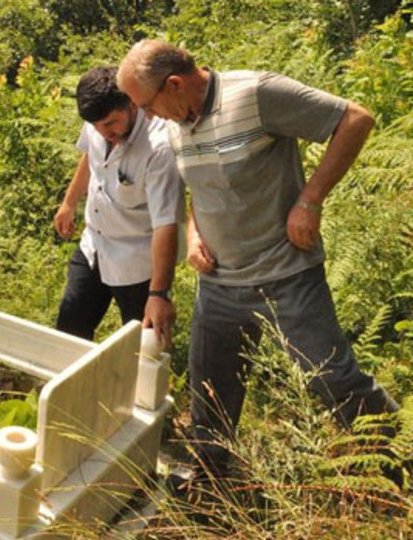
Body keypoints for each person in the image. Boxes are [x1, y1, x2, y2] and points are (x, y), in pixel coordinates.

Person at [117, 40, 400, 481]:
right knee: (211, 393)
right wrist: (194, 234)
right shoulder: (177, 123)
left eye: (146, 105)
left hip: (287, 276)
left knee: (334, 381)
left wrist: (310, 200)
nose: (147, 117)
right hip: (219, 285)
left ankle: (399, 457)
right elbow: (202, 188)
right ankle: (210, 484)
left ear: (174, 84)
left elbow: (355, 119)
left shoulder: (254, 95)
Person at [54, 66, 184, 346]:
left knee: (144, 347)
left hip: (136, 263)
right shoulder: (98, 121)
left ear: (131, 103)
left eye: (111, 124)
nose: (104, 133)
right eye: (97, 126)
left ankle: (140, 390)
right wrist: (68, 203)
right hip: (94, 246)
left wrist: (158, 294)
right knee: (69, 329)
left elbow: (166, 223)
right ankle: (70, 389)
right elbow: (90, 158)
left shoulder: (158, 148)